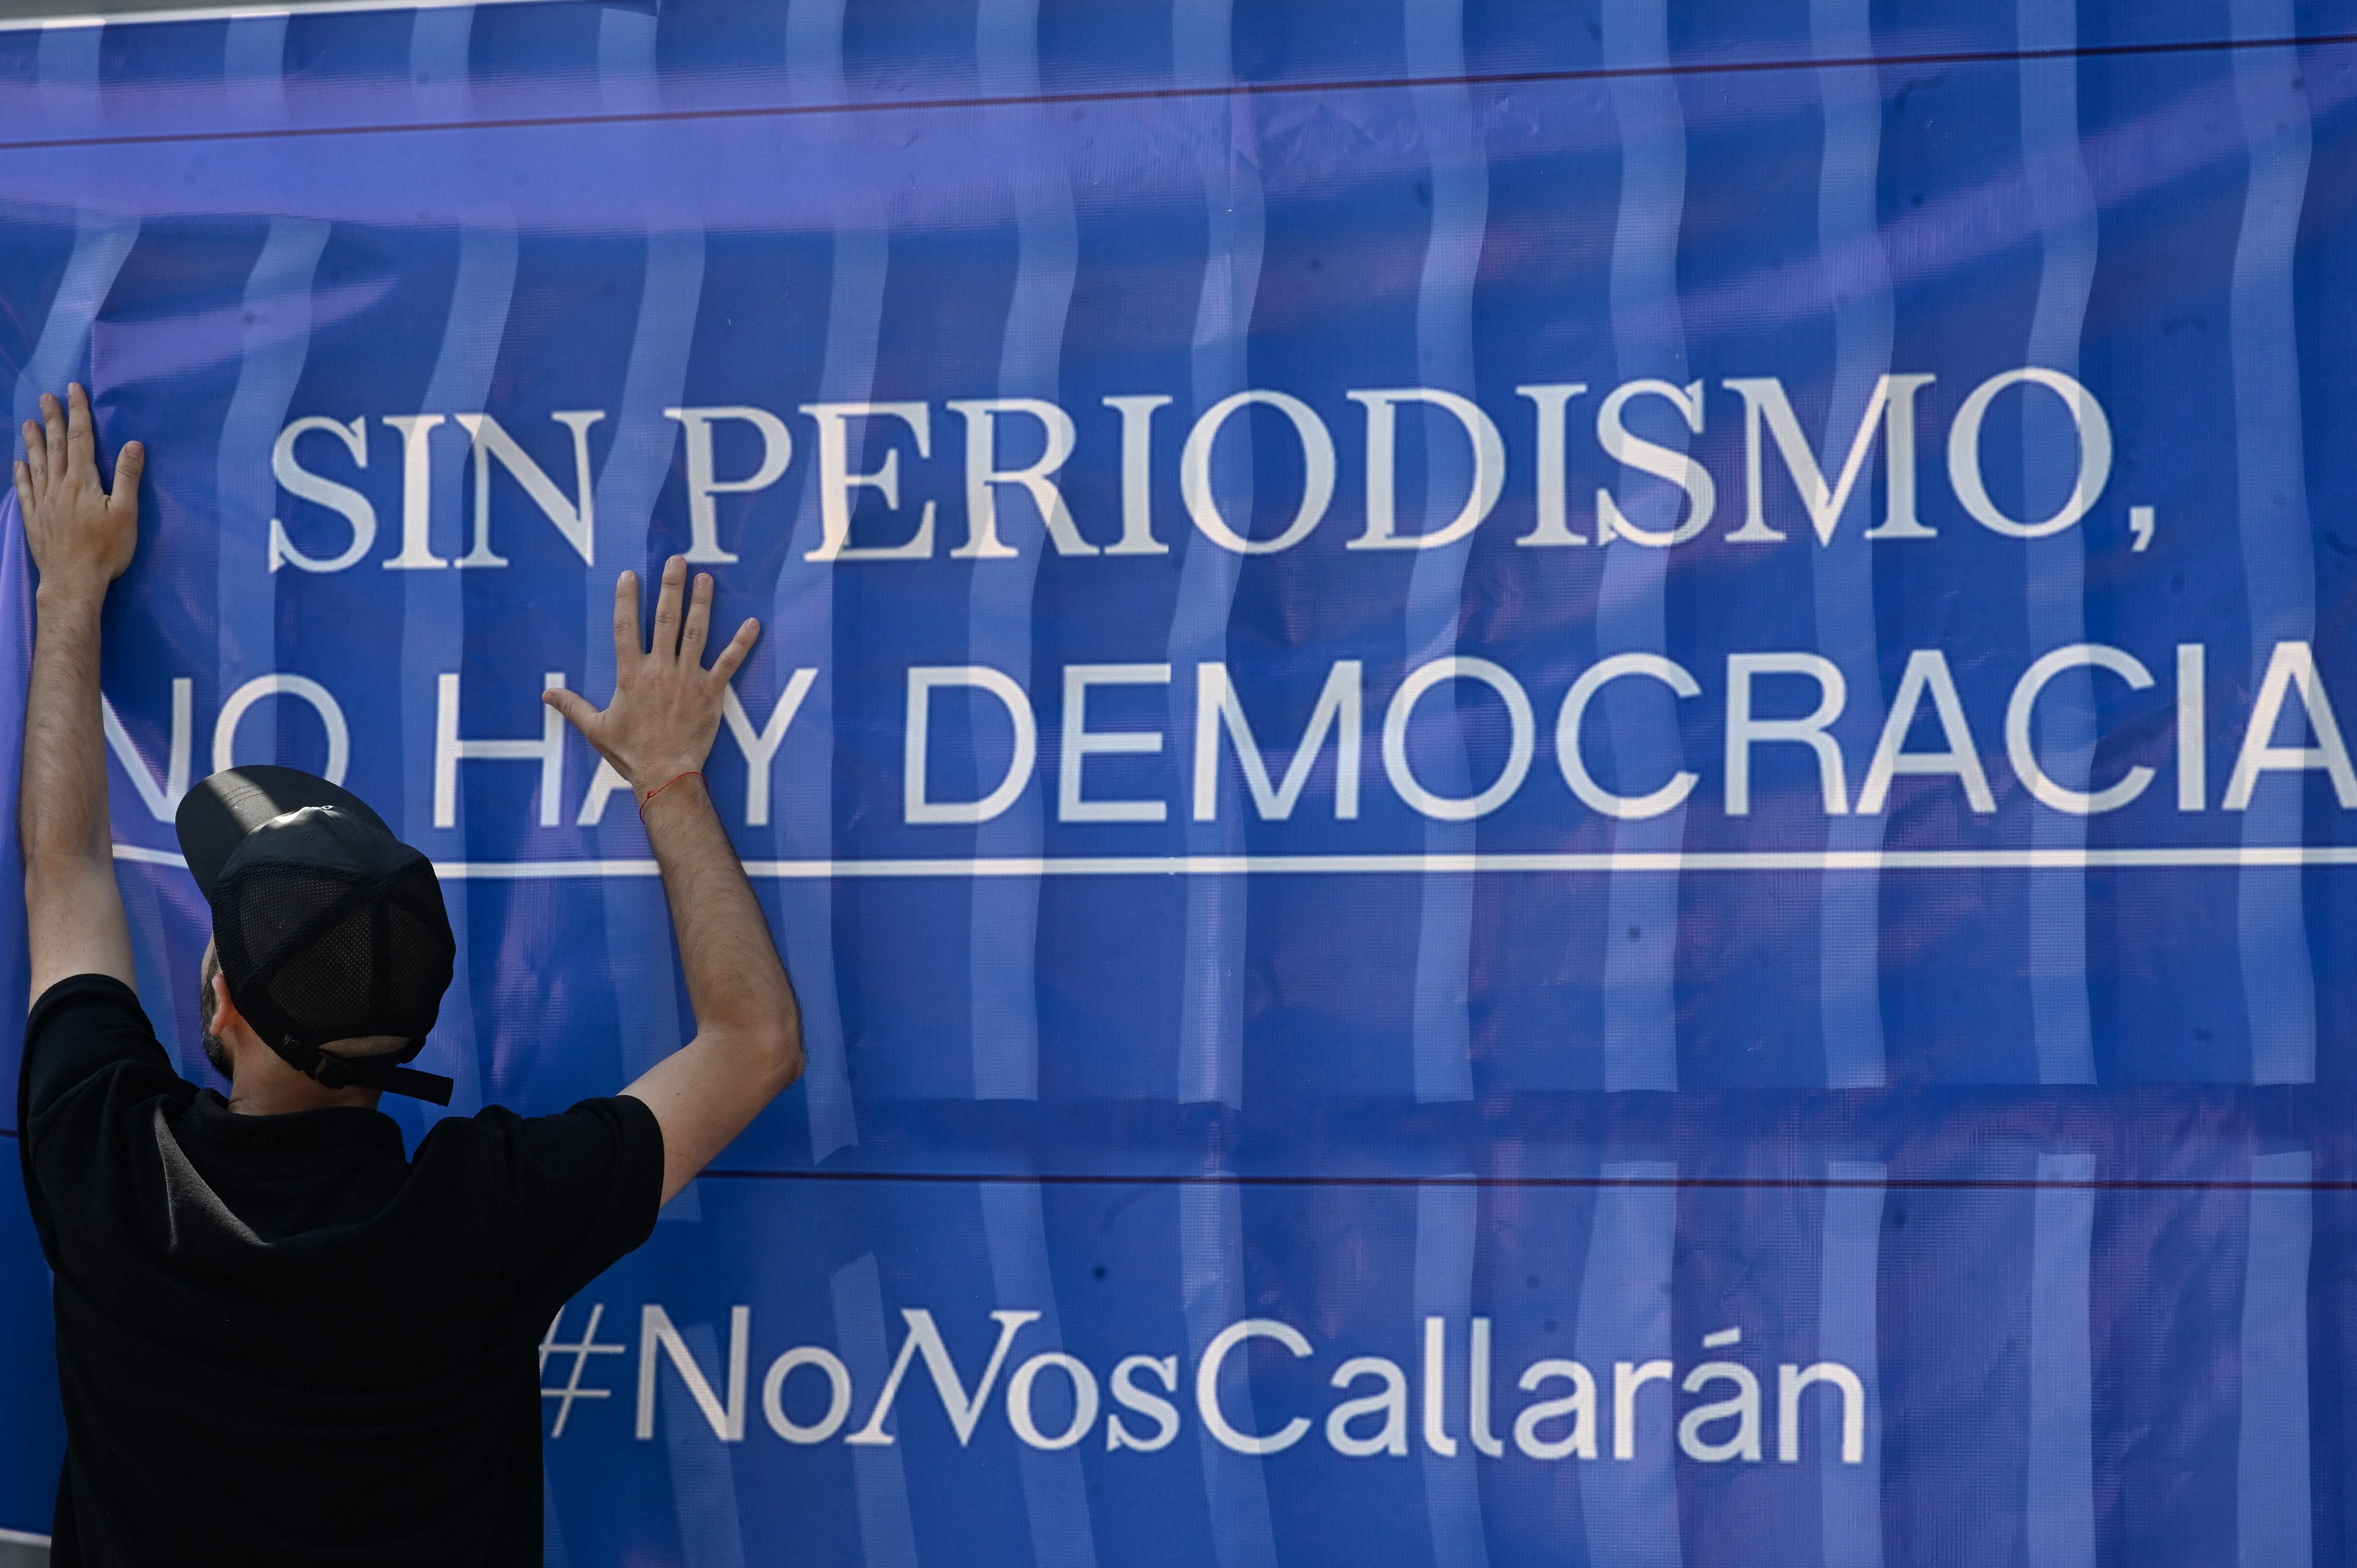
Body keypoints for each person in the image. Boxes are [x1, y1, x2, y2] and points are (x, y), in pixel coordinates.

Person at [12, 384, 804, 1565]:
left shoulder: (110, 1162)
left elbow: (63, 869)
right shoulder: (483, 1218)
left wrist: (70, 589)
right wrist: (672, 779)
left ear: (216, 999)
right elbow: (755, 1044)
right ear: (414, 1027)